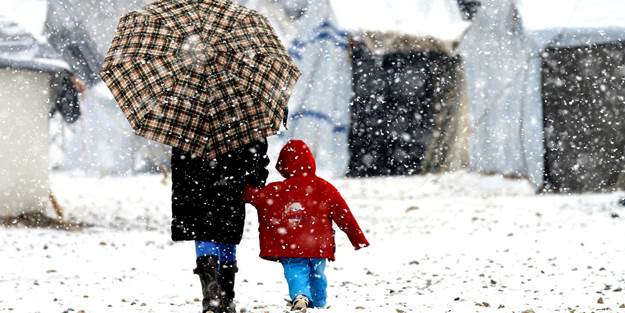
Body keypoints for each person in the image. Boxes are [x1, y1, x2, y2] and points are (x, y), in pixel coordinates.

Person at [243, 139, 370, 310]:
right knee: (318, 274)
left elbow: (256, 197)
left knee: (295, 270)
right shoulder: (325, 187)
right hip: (319, 245)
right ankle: (318, 303)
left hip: (289, 246)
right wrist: (357, 238)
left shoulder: (278, 189)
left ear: (284, 165)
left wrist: (241, 187)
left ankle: (301, 296)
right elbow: (344, 215)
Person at [171, 139, 270, 313]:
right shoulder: (241, 117)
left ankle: (211, 298)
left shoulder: (188, 120)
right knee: (227, 235)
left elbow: (179, 158)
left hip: (196, 186)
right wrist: (256, 177)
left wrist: (185, 181)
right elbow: (256, 151)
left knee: (204, 234)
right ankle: (226, 297)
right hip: (231, 185)